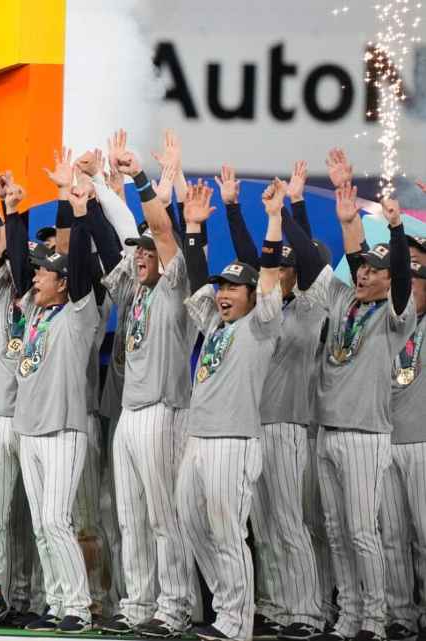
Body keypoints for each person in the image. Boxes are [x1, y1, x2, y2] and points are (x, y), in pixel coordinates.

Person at [220, 163, 328, 641]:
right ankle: (279, 606)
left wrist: (288, 209)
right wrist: (232, 210)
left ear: (298, 271)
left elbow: (309, 260)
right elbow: (252, 259)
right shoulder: (265, 312)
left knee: (288, 521)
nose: (279, 271)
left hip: (287, 425)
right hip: (254, 425)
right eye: (276, 266)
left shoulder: (311, 306)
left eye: (287, 266)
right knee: (262, 528)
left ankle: (306, 611)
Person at [308, 164, 415, 641]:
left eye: (376, 270)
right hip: (328, 430)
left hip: (368, 435)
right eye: (363, 270)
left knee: (362, 532)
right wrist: (348, 219)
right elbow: (347, 260)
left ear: (390, 279)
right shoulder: (344, 302)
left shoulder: (397, 315)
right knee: (335, 534)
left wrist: (394, 229)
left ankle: (374, 619)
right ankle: (349, 616)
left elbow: (400, 280)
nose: (366, 275)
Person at [176, 180, 284, 641]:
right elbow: (198, 280)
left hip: (234, 441)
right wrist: (195, 227)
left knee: (228, 533)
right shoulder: (216, 325)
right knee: (194, 525)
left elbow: (271, 273)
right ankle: (226, 611)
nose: (222, 294)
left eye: (234, 288)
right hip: (199, 439)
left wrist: (275, 219)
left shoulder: (261, 326)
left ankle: (237, 622)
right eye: (223, 286)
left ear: (252, 295)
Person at [100, 131, 198, 637]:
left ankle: (175, 607)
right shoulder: (133, 289)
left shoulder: (177, 286)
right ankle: (139, 603)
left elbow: (160, 231)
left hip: (165, 410)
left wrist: (142, 178)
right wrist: (98, 184)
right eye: (135, 252)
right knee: (131, 517)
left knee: (165, 517)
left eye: (147, 251)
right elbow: (123, 235)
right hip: (131, 414)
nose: (139, 255)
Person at [11, 173, 101, 633]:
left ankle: (79, 609)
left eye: (44, 271)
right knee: (43, 527)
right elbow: (14, 262)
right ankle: (57, 602)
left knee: (56, 520)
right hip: (29, 429)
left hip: (64, 429)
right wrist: (11, 210)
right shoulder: (33, 311)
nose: (36, 275)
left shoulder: (78, 315)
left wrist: (76, 207)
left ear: (64, 283)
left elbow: (81, 263)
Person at [379, 257, 426, 641]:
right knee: (391, 536)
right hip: (384, 441)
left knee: (425, 536)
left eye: (414, 284)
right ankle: (400, 615)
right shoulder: (385, 324)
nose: (406, 293)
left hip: (423, 442)